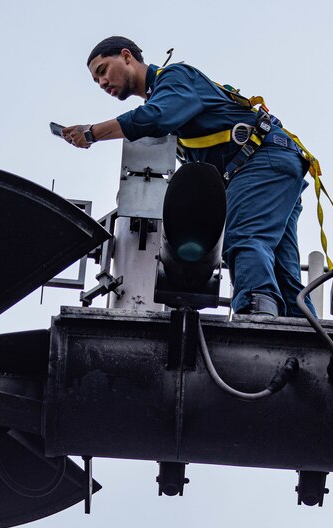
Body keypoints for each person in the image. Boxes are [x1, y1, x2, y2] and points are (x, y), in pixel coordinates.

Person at [62, 36, 315, 319]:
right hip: (272, 164)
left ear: (126, 56)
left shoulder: (174, 78)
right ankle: (303, 330)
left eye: (103, 70)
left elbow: (154, 118)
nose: (102, 83)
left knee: (244, 236)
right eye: (96, 81)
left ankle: (255, 312)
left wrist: (92, 132)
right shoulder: (170, 102)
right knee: (281, 265)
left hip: (261, 162)